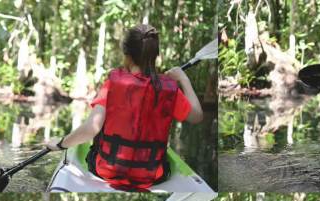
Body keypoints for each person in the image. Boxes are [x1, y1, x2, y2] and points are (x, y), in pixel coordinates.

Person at [46, 24, 203, 191]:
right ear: (154, 55)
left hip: (106, 171)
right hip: (152, 175)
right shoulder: (168, 90)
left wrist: (61, 144)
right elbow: (197, 116)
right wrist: (184, 80)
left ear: (127, 55)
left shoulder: (112, 85)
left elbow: (91, 128)